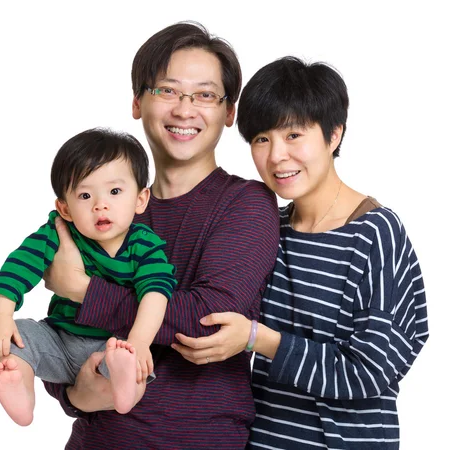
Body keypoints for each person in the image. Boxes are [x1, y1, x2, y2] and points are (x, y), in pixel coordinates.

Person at [40, 22, 281, 448]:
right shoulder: (102, 205)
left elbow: (209, 319)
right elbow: (67, 330)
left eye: (205, 95)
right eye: (167, 91)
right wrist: (75, 394)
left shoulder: (246, 203)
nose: (185, 110)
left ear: (229, 112)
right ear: (137, 102)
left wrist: (84, 289)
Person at [173, 56, 429, 449]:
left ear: (334, 135)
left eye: (294, 135)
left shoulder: (377, 234)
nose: (276, 156)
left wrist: (258, 339)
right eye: (262, 139)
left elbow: (369, 372)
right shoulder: (267, 227)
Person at [0, 127, 177, 425]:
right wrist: (0, 314)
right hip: (60, 342)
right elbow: (20, 263)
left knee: (132, 360)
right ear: (65, 208)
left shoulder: (145, 244)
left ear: (140, 199)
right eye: (85, 195)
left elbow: (155, 294)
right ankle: (19, 384)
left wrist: (139, 341)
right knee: (17, 335)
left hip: (112, 347)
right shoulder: (59, 233)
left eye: (115, 192)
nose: (100, 204)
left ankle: (123, 388)